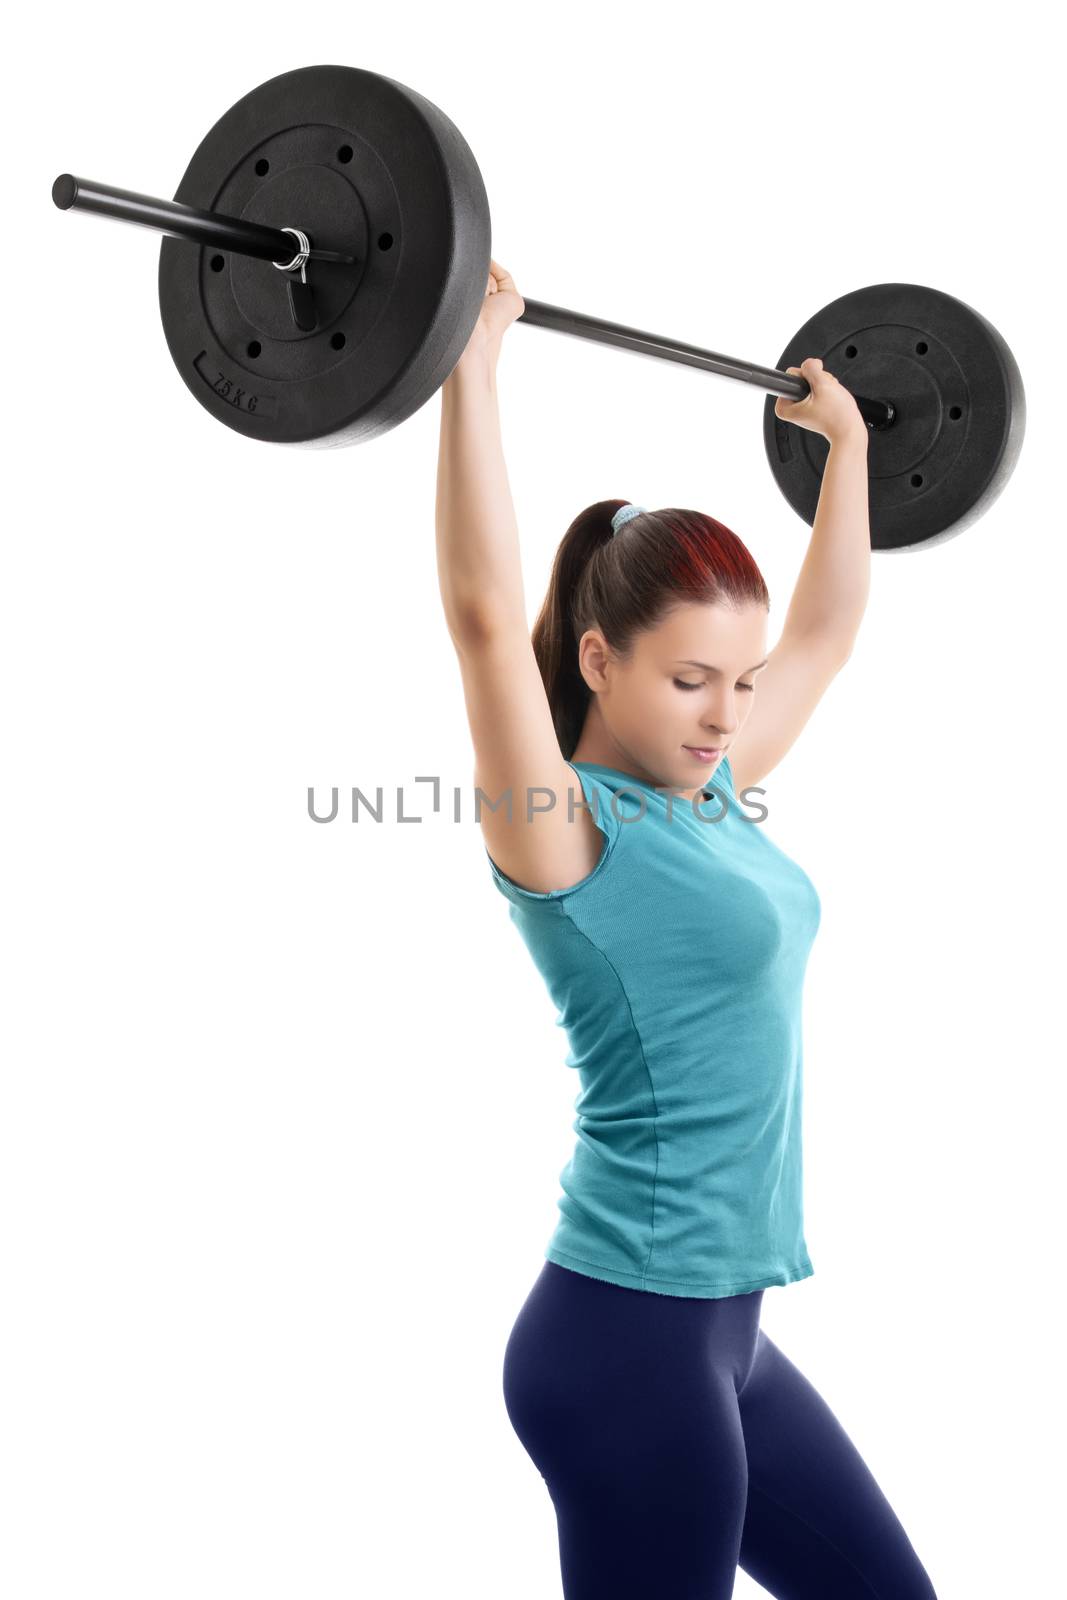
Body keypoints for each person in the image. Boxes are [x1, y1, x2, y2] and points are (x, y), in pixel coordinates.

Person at [435, 260, 938, 1599]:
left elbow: (825, 635)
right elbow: (486, 621)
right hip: (624, 1347)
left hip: (727, 1342)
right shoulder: (563, 821)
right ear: (600, 661)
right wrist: (467, 366)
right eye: (690, 680)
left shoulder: (710, 788)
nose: (726, 716)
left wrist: (848, 454)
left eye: (738, 684)